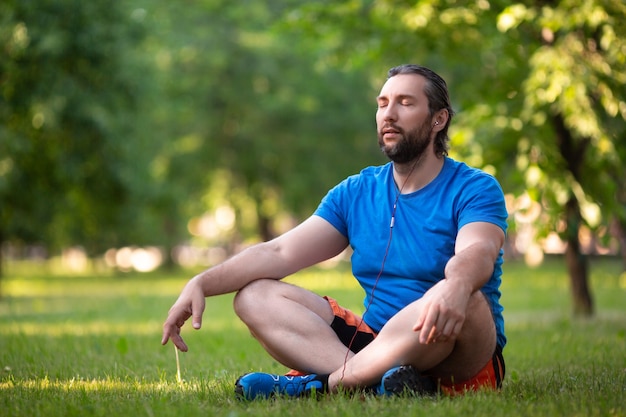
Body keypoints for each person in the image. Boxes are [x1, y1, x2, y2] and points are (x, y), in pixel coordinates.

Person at [161, 64, 508, 399]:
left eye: (405, 102)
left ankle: (325, 385)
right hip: (376, 342)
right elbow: (279, 253)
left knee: (458, 293)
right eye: (383, 103)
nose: (389, 114)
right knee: (253, 296)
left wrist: (456, 286)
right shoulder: (356, 191)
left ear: (439, 119)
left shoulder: (474, 188)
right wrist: (201, 283)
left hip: (455, 347)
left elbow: (477, 252)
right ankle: (376, 384)